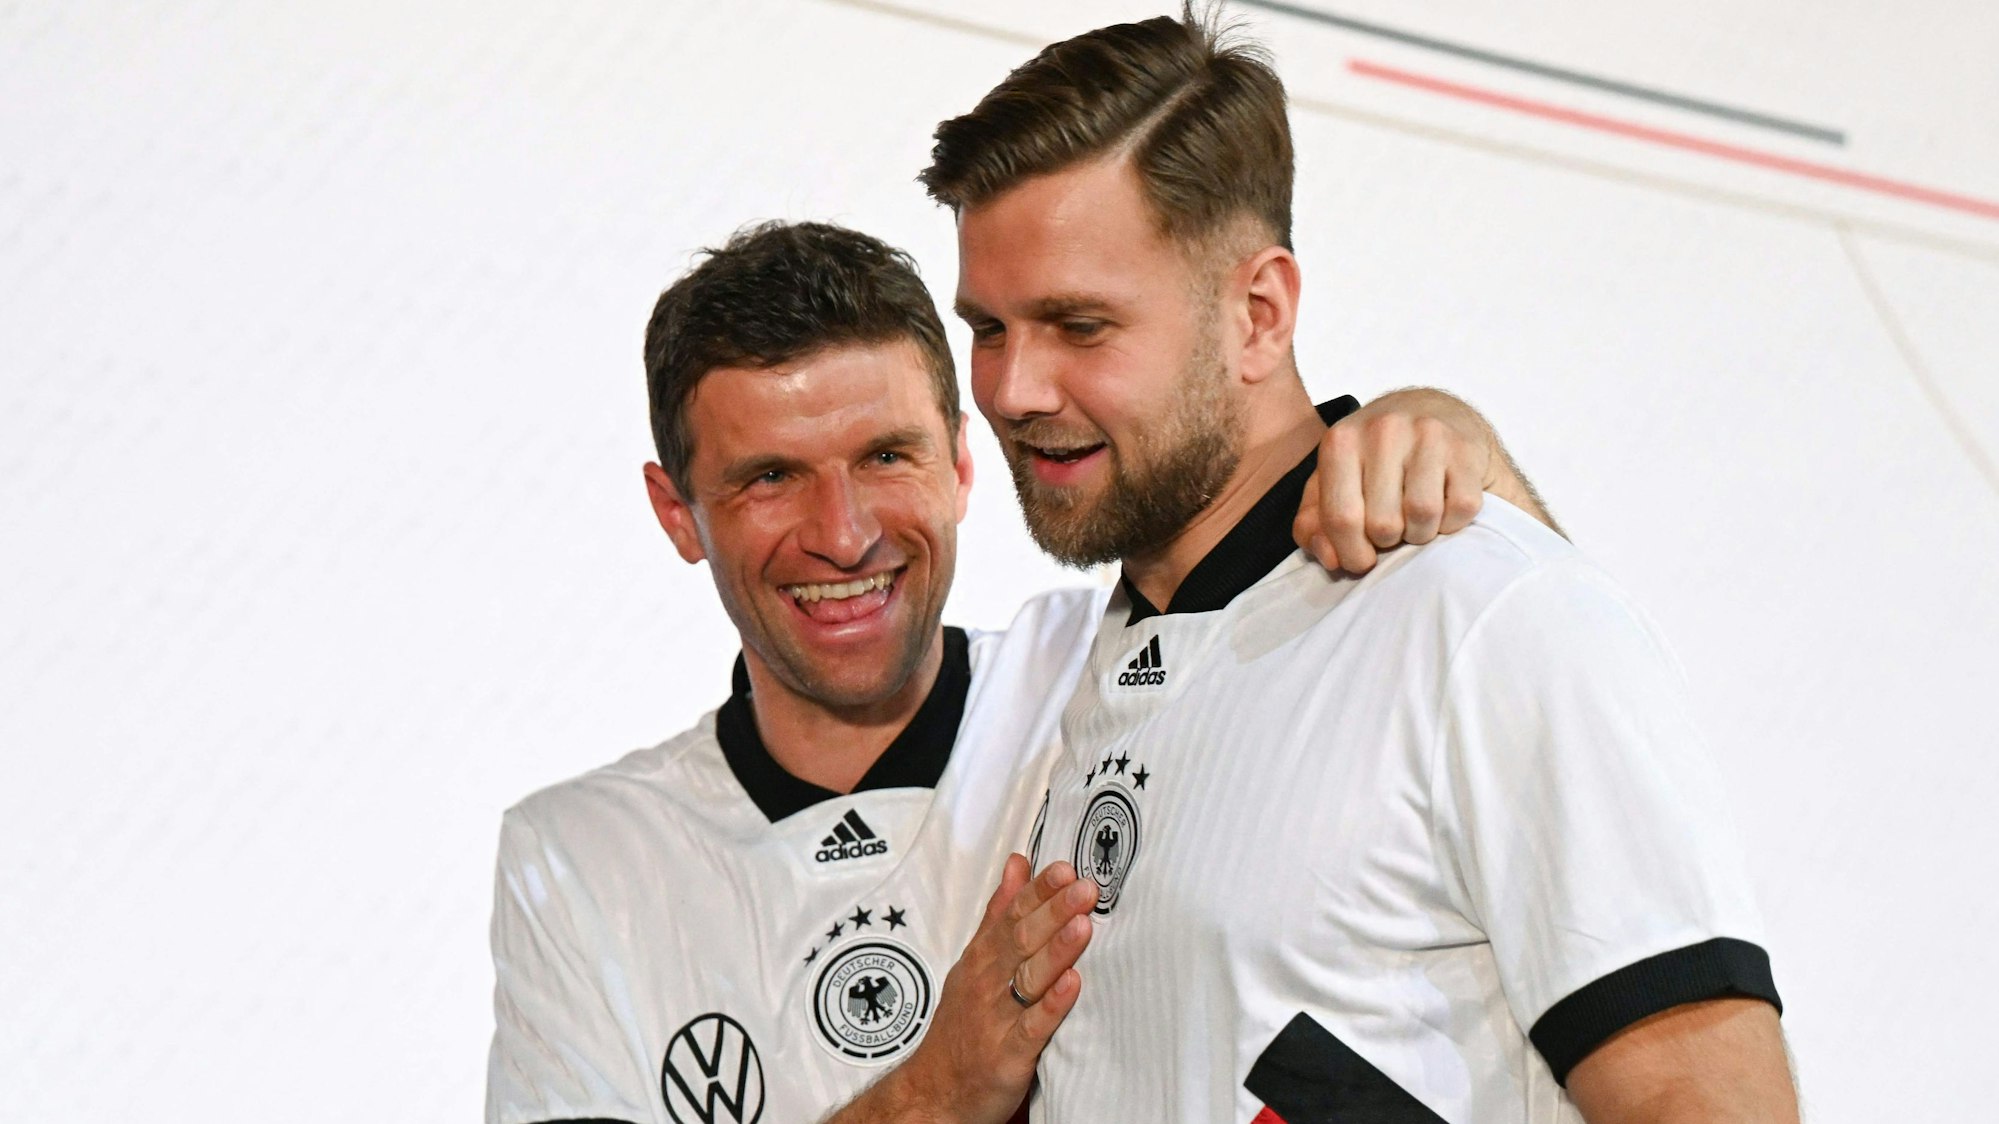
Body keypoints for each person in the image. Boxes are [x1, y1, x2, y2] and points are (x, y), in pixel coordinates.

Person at [911, 6, 1796, 1122]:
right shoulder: (1100, 657)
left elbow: (1709, 1103)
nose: (1010, 388)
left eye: (1077, 324)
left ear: (1259, 313)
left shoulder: (1481, 615)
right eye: (988, 327)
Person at [484, 221, 1551, 1123]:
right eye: (770, 477)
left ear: (959, 462)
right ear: (679, 513)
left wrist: (1454, 441)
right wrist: (932, 1089)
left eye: (886, 456)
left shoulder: (1106, 677)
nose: (844, 534)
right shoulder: (580, 862)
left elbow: (1528, 672)